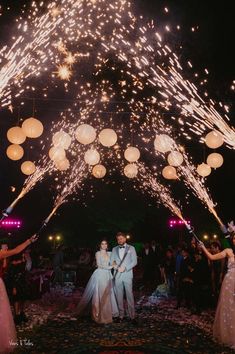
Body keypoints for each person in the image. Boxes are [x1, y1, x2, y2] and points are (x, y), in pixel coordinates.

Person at [0, 234, 37, 353]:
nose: (5, 248)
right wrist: (28, 241)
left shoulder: (3, 255)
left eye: (5, 246)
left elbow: (6, 264)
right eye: (4, 246)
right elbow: (16, 250)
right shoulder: (2, 254)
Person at [199, 233, 235, 349]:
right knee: (229, 307)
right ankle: (230, 335)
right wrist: (203, 247)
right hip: (230, 282)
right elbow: (212, 257)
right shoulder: (228, 251)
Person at [76, 240, 118, 324]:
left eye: (106, 243)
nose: (104, 245)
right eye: (102, 244)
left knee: (108, 294)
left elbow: (114, 262)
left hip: (108, 275)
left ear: (107, 245)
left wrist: (115, 265)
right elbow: (99, 265)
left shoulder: (110, 253)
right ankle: (99, 314)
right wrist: (111, 267)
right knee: (100, 294)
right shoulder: (98, 253)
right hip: (100, 274)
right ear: (100, 245)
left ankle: (108, 313)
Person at [110, 232, 137, 323]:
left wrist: (125, 268)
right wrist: (117, 268)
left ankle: (132, 316)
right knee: (119, 296)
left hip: (128, 275)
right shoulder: (114, 249)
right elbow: (112, 261)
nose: (120, 240)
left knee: (129, 295)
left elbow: (134, 262)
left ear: (125, 239)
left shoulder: (131, 248)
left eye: (121, 238)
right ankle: (121, 315)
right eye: (118, 239)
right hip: (117, 275)